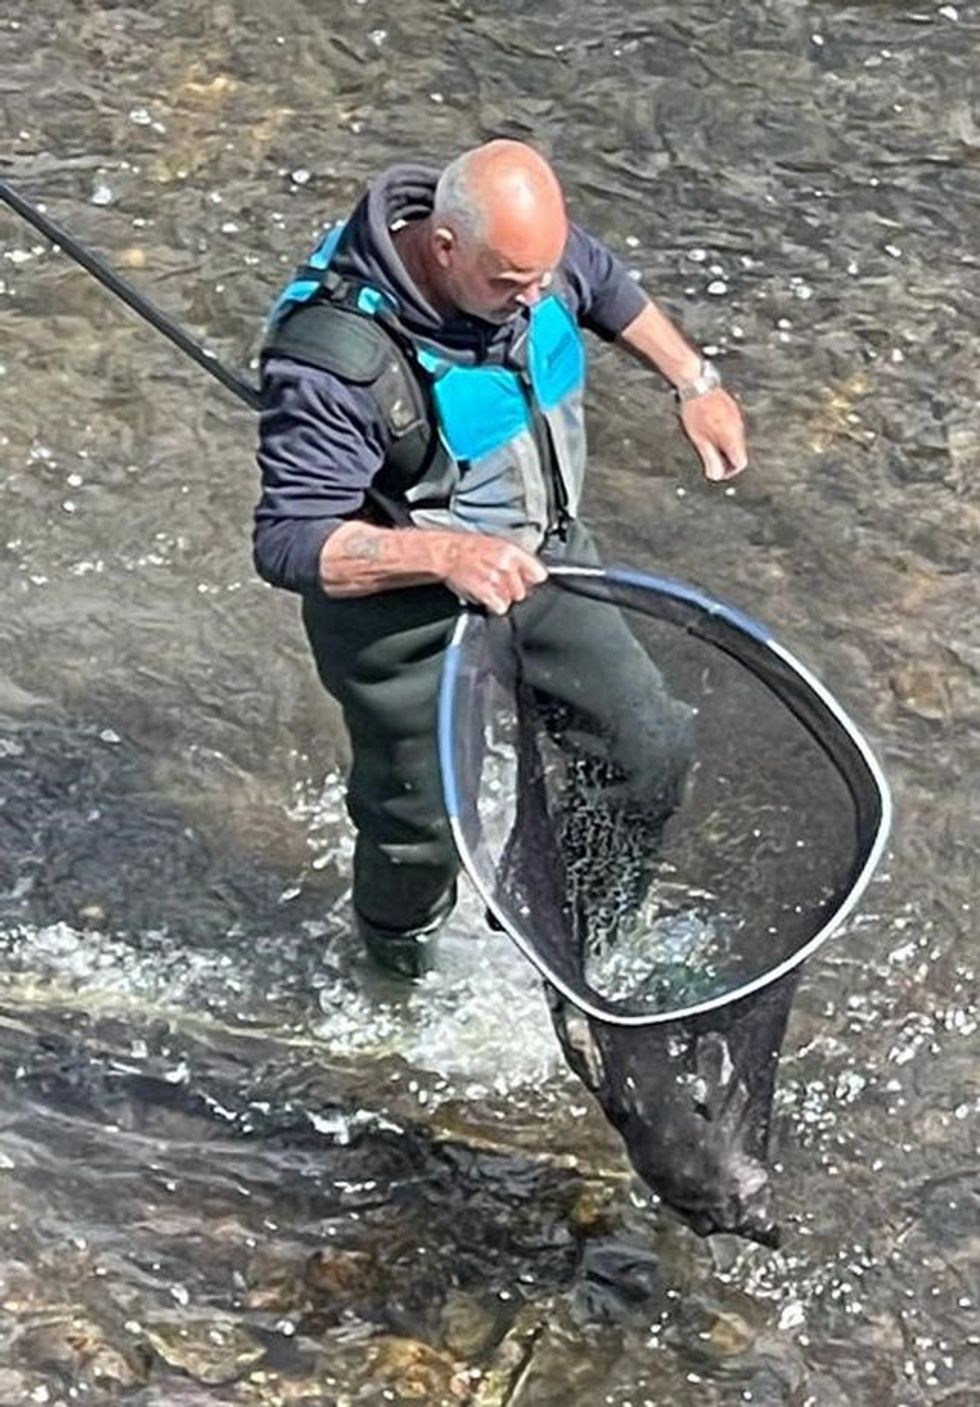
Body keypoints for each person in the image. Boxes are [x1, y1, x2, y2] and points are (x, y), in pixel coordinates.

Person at [253, 139, 747, 977]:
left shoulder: (526, 252)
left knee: (648, 747)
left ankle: (584, 953)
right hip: (400, 613)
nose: (533, 300)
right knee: (421, 829)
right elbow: (290, 541)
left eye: (541, 279)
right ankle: (392, 972)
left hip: (542, 558)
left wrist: (694, 381)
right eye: (508, 285)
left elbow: (605, 282)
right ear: (445, 248)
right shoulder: (333, 360)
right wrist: (443, 551)